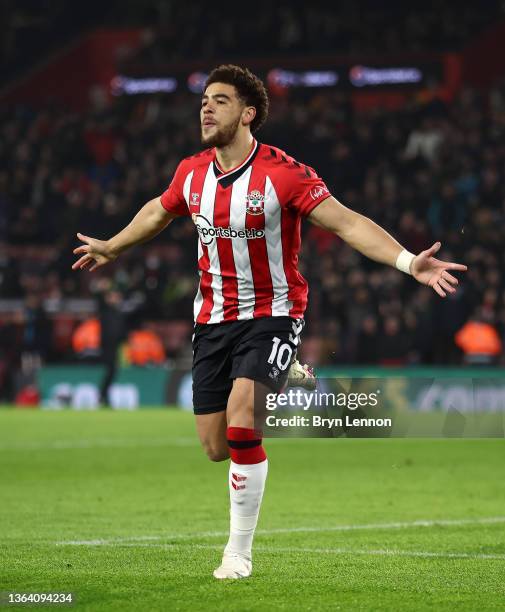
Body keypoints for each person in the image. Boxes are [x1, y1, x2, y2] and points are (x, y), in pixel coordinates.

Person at [72, 64, 467, 579]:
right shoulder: (191, 172)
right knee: (216, 448)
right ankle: (285, 374)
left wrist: (408, 261)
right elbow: (158, 211)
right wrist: (112, 245)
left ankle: (238, 552)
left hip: (274, 313)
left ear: (248, 113)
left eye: (219, 100)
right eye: (203, 101)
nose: (206, 108)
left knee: (242, 420)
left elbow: (348, 222)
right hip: (212, 319)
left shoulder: (284, 174)